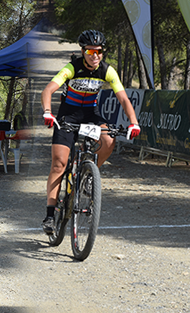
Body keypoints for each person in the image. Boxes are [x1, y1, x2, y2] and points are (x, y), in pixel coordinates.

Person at [40, 30, 141, 235]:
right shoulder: (72, 68)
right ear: (83, 51)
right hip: (68, 115)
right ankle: (50, 215)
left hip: (91, 114)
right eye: (90, 51)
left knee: (108, 139)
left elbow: (123, 99)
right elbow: (48, 90)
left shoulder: (107, 71)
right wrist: (48, 113)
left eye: (99, 52)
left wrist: (134, 122)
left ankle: (88, 175)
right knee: (59, 164)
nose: (95, 56)